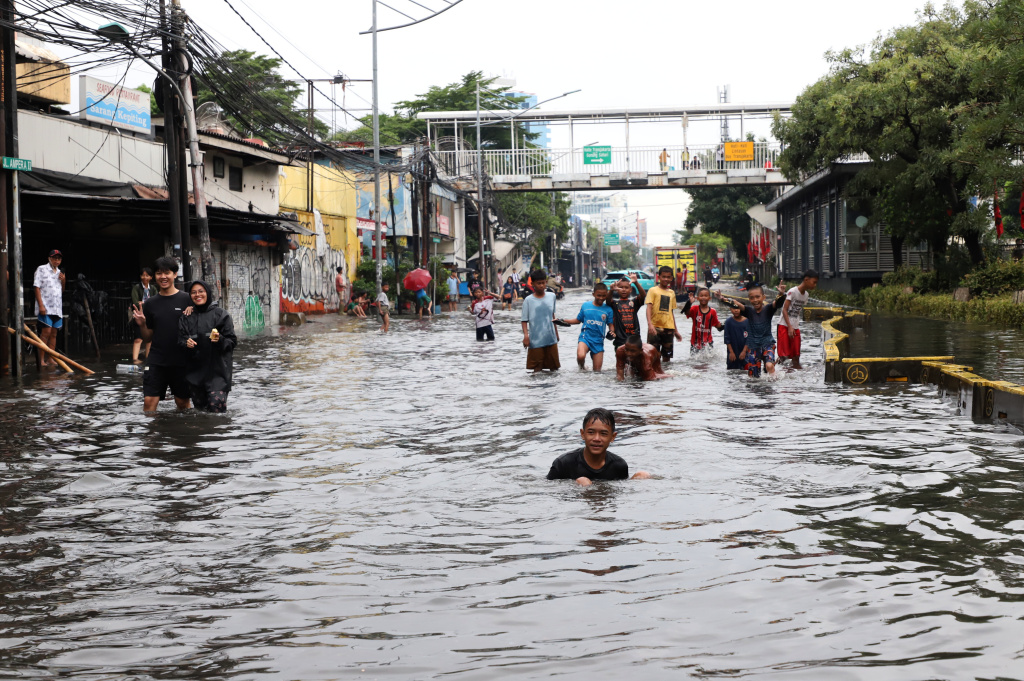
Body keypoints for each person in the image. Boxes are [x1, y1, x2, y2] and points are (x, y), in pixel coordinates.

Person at [131, 256, 192, 412]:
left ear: (175, 274)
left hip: (181, 360)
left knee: (183, 403)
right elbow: (148, 337)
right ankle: (152, 435)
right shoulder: (150, 303)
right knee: (149, 403)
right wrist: (143, 324)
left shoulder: (187, 299)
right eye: (159, 273)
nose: (163, 277)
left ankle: (182, 433)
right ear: (154, 277)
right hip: (157, 360)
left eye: (167, 273)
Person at [546, 408, 652, 486]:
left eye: (603, 433)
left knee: (643, 475)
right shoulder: (563, 463)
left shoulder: (619, 466)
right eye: (591, 432)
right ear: (583, 434)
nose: (596, 439)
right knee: (583, 482)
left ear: (613, 437)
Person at [178, 280, 236, 413]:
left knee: (217, 411)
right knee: (201, 413)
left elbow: (232, 342)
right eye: (193, 292)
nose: (197, 295)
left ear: (208, 293)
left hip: (218, 373)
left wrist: (219, 339)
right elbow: (180, 341)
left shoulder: (221, 315)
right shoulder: (186, 317)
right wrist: (186, 343)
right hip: (195, 375)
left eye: (201, 291)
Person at [720, 284, 787, 378]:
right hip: (753, 347)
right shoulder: (748, 311)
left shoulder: (768, 309)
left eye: (757, 297)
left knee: (769, 365)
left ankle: (773, 384)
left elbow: (777, 304)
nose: (755, 300)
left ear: (763, 297)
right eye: (752, 298)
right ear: (749, 299)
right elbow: (736, 304)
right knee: (753, 377)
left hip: (767, 343)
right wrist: (722, 299)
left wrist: (781, 293)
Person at [560, 282, 612, 371]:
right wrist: (563, 321)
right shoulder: (586, 306)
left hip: (598, 341)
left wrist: (612, 332)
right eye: (598, 295)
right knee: (580, 356)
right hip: (585, 337)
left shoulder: (608, 309)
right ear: (593, 294)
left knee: (597, 371)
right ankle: (582, 368)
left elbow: (611, 325)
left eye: (604, 296)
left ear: (607, 295)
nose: (601, 298)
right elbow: (578, 320)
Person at [778, 269, 819, 370]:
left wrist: (793, 327)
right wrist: (789, 327)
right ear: (806, 279)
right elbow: (784, 310)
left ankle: (797, 377)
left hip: (795, 327)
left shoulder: (806, 295)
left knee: (796, 356)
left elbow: (797, 312)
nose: (815, 285)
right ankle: (773, 370)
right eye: (814, 282)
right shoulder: (792, 291)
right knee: (784, 356)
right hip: (784, 325)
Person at [521, 269, 559, 372]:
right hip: (536, 340)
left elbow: (552, 315)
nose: (541, 285)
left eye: (543, 283)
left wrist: (556, 333)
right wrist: (526, 336)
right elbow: (524, 320)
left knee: (554, 368)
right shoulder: (528, 300)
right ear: (532, 284)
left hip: (551, 338)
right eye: (538, 283)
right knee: (537, 369)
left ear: (546, 282)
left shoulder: (552, 296)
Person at [33, 249, 66, 367]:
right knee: (45, 332)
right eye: (54, 258)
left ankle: (50, 358)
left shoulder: (59, 273)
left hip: (57, 307)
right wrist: (41, 305)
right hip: (46, 307)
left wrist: (63, 280)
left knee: (54, 333)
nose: (57, 260)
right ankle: (41, 360)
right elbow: (36, 287)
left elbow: (62, 290)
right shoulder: (41, 269)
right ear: (49, 258)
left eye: (59, 258)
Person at [644, 266, 682, 362]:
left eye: (668, 277)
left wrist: (676, 330)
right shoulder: (653, 290)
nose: (666, 279)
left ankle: (665, 375)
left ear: (671, 278)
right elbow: (649, 308)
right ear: (659, 277)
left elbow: (671, 312)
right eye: (663, 276)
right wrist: (650, 324)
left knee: (667, 357)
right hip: (655, 327)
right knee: (652, 356)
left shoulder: (672, 293)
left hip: (669, 328)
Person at [680, 287, 724, 354]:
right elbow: (687, 312)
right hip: (695, 343)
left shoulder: (713, 312)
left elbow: (717, 325)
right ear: (697, 298)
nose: (703, 297)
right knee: (695, 363)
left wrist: (728, 324)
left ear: (709, 298)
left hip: (708, 343)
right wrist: (689, 302)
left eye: (706, 296)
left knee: (708, 362)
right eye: (701, 296)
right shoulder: (695, 309)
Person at [610, 274, 646, 352]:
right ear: (617, 289)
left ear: (630, 290)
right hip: (620, 339)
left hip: (634, 338)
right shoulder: (614, 303)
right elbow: (607, 300)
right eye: (621, 287)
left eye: (626, 287)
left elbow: (643, 296)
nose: (623, 290)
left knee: (635, 361)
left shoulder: (634, 302)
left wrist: (636, 282)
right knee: (620, 362)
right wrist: (611, 290)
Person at [130, 267, 157, 362]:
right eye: (143, 275)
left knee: (150, 338)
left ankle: (148, 358)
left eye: (147, 275)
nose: (144, 277)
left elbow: (156, 302)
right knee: (138, 338)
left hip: (150, 315)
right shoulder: (136, 288)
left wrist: (144, 302)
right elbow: (136, 303)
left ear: (151, 277)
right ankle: (135, 359)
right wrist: (146, 303)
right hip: (139, 315)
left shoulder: (153, 288)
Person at [722, 303, 749, 370]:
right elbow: (727, 338)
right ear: (730, 309)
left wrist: (744, 351)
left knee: (746, 371)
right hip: (733, 351)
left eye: (738, 308)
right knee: (732, 371)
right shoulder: (728, 322)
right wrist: (731, 352)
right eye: (734, 308)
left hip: (745, 352)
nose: (736, 310)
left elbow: (749, 338)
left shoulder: (748, 321)